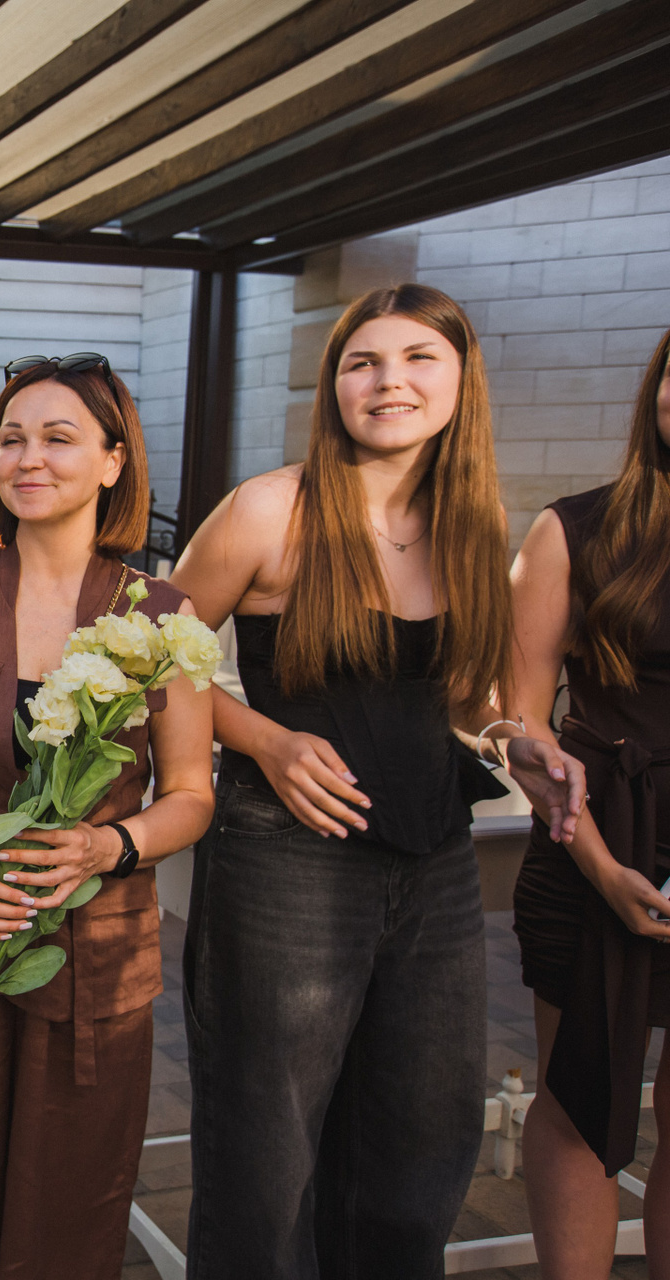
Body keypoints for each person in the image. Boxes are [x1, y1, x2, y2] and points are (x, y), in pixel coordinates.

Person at [170, 283, 577, 1278]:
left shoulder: (473, 519)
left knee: (422, 1139)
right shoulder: (270, 508)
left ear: (461, 381)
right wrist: (267, 740)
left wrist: (512, 740)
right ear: (335, 384)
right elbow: (144, 660)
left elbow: (461, 691)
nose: (389, 381)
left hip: (434, 860)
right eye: (363, 362)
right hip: (286, 859)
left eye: (417, 358)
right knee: (268, 1150)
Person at [0, 353, 214, 1279]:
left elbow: (191, 795)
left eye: (59, 438)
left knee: (73, 1194)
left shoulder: (160, 616)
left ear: (112, 460)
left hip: (98, 955)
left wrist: (110, 844)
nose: (29, 458)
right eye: (11, 438)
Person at [509, 327, 670, 1275]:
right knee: (578, 1094)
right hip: (592, 831)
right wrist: (602, 865)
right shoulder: (574, 528)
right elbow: (521, 713)